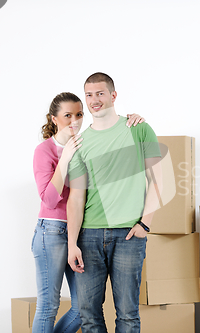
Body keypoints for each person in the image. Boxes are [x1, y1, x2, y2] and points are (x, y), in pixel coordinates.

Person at [32, 91, 145, 333]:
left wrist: (132, 120)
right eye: (67, 115)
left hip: (82, 231)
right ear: (54, 119)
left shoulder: (87, 142)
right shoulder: (45, 150)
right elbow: (50, 200)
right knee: (49, 306)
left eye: (79, 114)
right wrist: (66, 158)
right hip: (51, 232)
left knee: (80, 307)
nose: (75, 120)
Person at [67, 72, 162, 333]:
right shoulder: (81, 143)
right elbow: (76, 197)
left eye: (100, 93)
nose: (94, 100)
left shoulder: (138, 128)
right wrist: (72, 243)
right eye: (89, 95)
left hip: (129, 235)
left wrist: (145, 224)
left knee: (128, 315)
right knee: (89, 316)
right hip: (89, 236)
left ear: (113, 95)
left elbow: (157, 181)